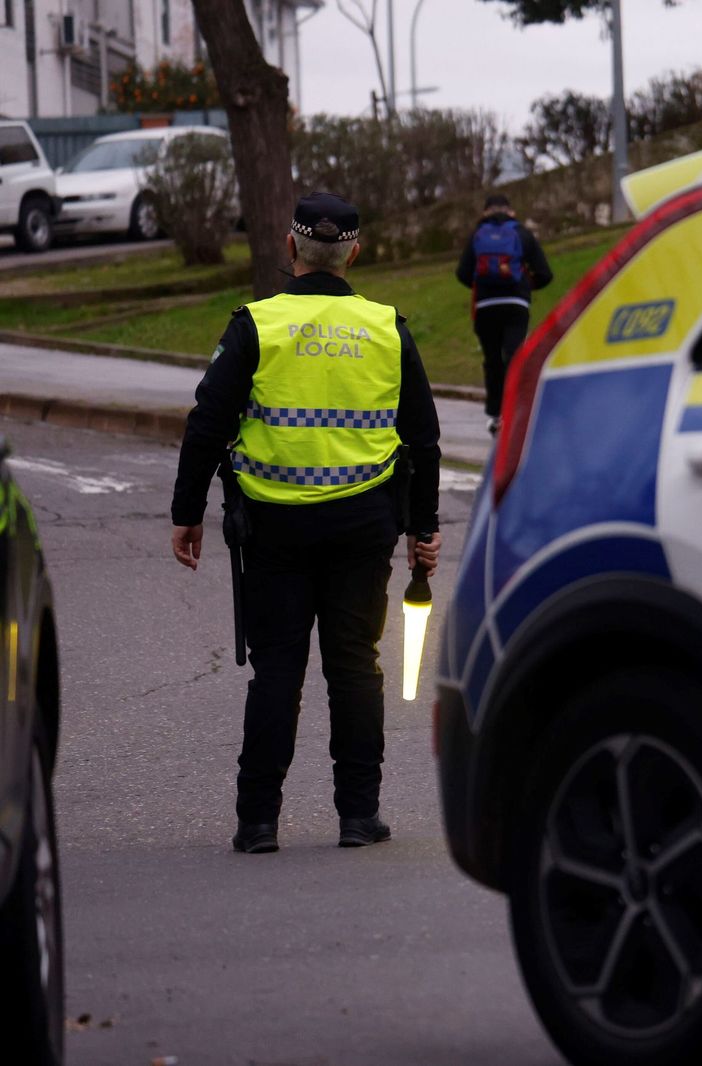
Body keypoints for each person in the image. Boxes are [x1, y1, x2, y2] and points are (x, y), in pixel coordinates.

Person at [169, 192, 443, 855]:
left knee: (278, 672)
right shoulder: (386, 328)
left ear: (291, 250)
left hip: (275, 529)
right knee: (355, 667)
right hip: (362, 526)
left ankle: (257, 822)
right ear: (355, 252)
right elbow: (426, 439)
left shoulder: (255, 326)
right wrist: (423, 528)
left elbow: (207, 422)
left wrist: (188, 514)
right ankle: (358, 816)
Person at [456, 193, 553, 432]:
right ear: (511, 211)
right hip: (515, 303)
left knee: (492, 361)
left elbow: (462, 272)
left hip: (485, 306)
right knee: (514, 356)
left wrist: (483, 285)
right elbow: (545, 273)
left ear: (485, 212)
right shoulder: (522, 233)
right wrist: (524, 285)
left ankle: (495, 416)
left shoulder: (477, 235)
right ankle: (516, 411)